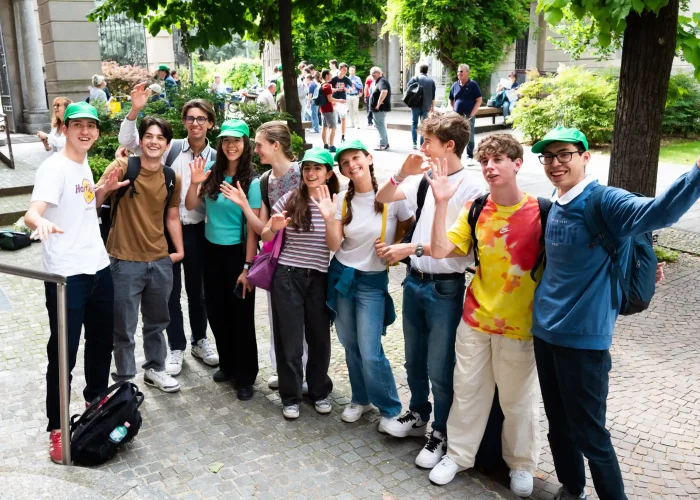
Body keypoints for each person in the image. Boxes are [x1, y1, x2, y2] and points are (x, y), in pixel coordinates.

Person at [531, 127, 700, 500]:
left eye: (565, 155)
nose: (556, 163)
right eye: (548, 156)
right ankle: (571, 489)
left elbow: (661, 212)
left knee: (590, 434)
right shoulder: (556, 203)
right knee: (558, 425)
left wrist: (698, 170)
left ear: (585, 157)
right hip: (544, 333)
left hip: (584, 341)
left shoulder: (604, 201)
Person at [425, 134, 544, 497]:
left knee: (517, 402)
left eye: (498, 160)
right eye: (485, 162)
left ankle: (521, 464)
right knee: (468, 393)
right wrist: (441, 202)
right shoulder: (476, 208)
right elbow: (442, 249)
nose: (490, 167)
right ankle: (458, 456)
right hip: (475, 319)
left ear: (517, 164)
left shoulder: (542, 211)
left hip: (520, 326)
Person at [375, 114, 485, 469]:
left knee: (440, 366)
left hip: (445, 288)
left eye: (428, 142)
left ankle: (441, 432)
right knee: (413, 358)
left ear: (449, 145)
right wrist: (403, 172)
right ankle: (418, 414)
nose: (423, 147)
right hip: (414, 282)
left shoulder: (472, 187)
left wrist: (412, 248)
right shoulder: (424, 177)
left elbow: (464, 251)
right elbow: (383, 196)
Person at [24, 102, 116, 464]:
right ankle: (57, 427)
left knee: (100, 344)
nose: (86, 131)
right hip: (67, 276)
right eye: (78, 125)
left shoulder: (83, 164)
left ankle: (95, 403)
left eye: (91, 126)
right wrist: (38, 223)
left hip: (98, 268)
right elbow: (34, 211)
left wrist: (103, 190)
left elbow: (83, 208)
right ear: (64, 128)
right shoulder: (54, 167)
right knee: (62, 353)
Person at [118, 83, 219, 376]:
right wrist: (135, 108)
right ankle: (176, 346)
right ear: (184, 122)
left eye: (201, 119)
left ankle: (200, 339)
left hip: (199, 231)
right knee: (168, 292)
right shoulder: (170, 148)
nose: (195, 123)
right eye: (190, 118)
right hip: (165, 230)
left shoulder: (216, 156)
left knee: (197, 291)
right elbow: (129, 141)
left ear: (210, 123)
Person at [320, 139, 412, 427]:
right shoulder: (342, 200)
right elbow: (335, 245)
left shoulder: (392, 196)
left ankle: (391, 409)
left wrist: (396, 248)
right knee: (350, 344)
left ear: (369, 158)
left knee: (371, 351)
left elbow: (410, 228)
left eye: (356, 158)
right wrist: (328, 219)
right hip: (343, 276)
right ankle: (361, 398)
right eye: (345, 162)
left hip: (372, 282)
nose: (351, 165)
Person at [97, 116, 184, 393]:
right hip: (124, 261)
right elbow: (92, 202)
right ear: (141, 140)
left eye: (160, 138)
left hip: (159, 260)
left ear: (167, 144)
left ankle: (155, 369)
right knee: (123, 326)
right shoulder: (123, 167)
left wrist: (179, 250)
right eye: (149, 136)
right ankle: (124, 380)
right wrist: (105, 190)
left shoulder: (172, 177)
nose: (154, 141)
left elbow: (171, 216)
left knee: (157, 322)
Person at [184, 120, 260, 400]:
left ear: (245, 144)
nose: (231, 145)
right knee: (215, 311)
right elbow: (192, 205)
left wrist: (247, 267)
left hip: (238, 253)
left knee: (240, 316)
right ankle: (227, 364)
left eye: (237, 140)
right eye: (226, 140)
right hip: (210, 250)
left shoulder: (251, 180)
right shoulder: (212, 172)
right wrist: (194, 184)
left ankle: (245, 376)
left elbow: (254, 229)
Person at [261, 147, 339, 419]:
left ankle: (319, 391)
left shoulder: (336, 201)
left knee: (319, 338)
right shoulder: (290, 199)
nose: (311, 173)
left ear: (328, 173)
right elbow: (265, 234)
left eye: (317, 168)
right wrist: (274, 226)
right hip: (288, 275)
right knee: (290, 339)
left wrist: (330, 218)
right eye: (307, 168)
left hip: (318, 276)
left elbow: (335, 245)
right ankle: (291, 396)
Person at [252, 122, 309, 392]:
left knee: (308, 322)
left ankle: (308, 373)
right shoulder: (264, 181)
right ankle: (283, 371)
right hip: (278, 260)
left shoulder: (303, 173)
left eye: (259, 144)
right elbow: (263, 228)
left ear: (276, 145)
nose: (256, 150)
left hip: (307, 259)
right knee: (277, 319)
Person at [449, 64, 482, 164]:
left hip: (468, 115)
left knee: (469, 135)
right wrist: (453, 110)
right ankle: (456, 155)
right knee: (455, 135)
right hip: (457, 115)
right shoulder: (455, 85)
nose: (459, 73)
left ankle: (470, 156)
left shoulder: (473, 85)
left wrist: (472, 114)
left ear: (467, 72)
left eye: (461, 71)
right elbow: (450, 99)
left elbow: (479, 100)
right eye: (458, 71)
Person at [407, 64, 436, 149]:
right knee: (424, 125)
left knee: (414, 123)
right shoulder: (431, 81)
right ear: (427, 71)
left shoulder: (414, 79)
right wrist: (433, 107)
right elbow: (433, 96)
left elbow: (408, 90)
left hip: (415, 105)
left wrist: (409, 102)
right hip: (426, 106)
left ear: (419, 70)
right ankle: (422, 143)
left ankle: (414, 143)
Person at [320, 69, 346, 153]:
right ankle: (331, 146)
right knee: (332, 127)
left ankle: (325, 144)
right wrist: (340, 100)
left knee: (324, 127)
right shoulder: (327, 86)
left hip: (323, 108)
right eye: (330, 74)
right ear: (327, 75)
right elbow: (330, 98)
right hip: (328, 109)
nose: (331, 76)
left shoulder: (322, 85)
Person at [369, 67, 391, 151]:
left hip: (380, 108)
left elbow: (384, 91)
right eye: (371, 73)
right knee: (380, 125)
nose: (372, 75)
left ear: (379, 73)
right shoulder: (379, 81)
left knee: (379, 125)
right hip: (379, 108)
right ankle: (385, 142)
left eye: (374, 73)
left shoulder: (382, 81)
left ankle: (382, 144)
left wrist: (378, 104)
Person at [330, 63, 353, 142]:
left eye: (346, 70)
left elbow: (352, 87)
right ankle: (331, 136)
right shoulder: (334, 79)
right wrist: (335, 89)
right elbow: (329, 88)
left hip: (343, 100)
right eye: (344, 70)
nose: (345, 71)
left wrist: (348, 90)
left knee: (343, 118)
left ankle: (343, 136)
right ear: (340, 69)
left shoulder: (346, 79)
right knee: (333, 120)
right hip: (334, 100)